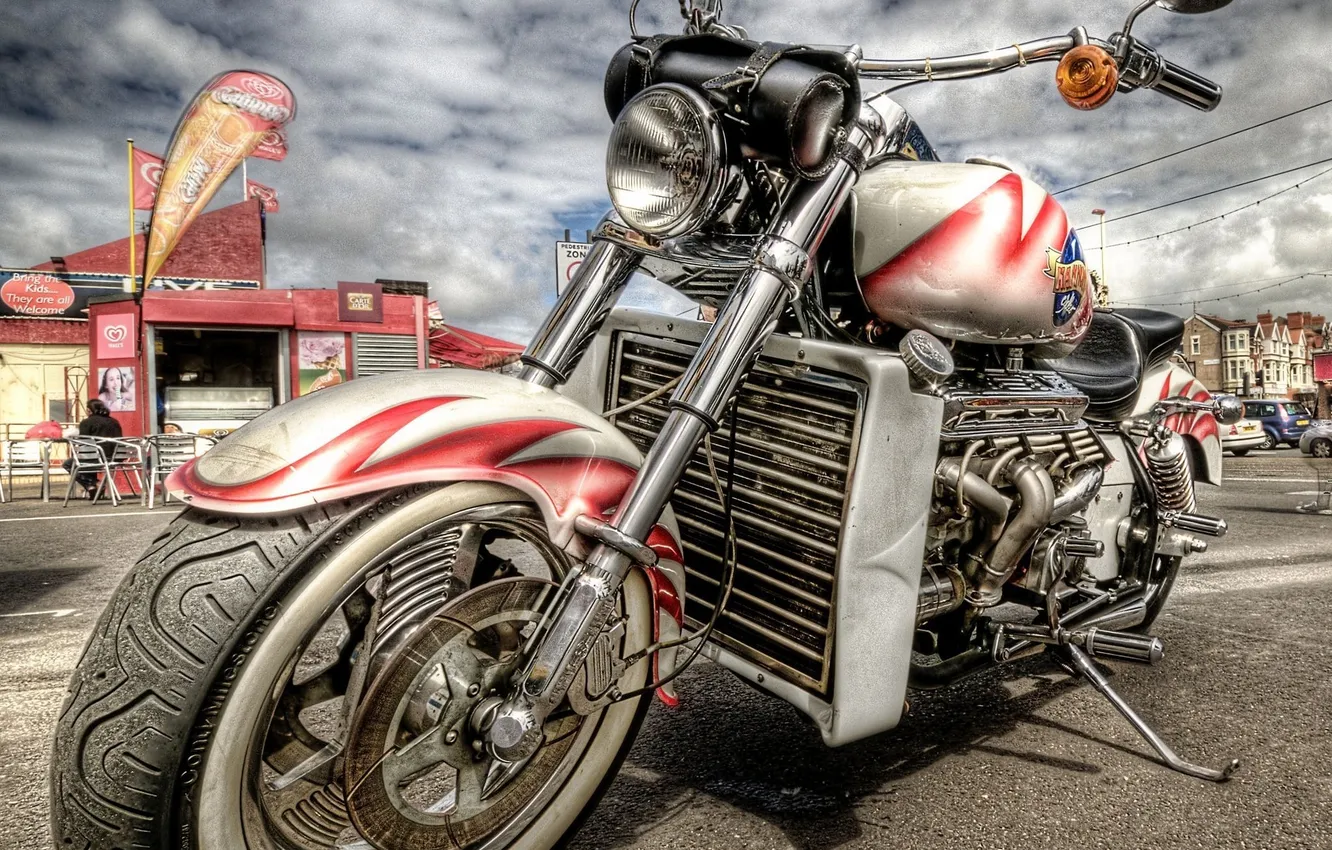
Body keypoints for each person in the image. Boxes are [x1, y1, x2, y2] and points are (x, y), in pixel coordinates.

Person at [64, 399, 123, 497]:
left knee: (68, 464)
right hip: (116, 457)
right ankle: (93, 488)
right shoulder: (114, 421)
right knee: (89, 457)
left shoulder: (87, 422)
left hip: (97, 457)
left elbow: (83, 442)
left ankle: (93, 484)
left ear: (88, 410)